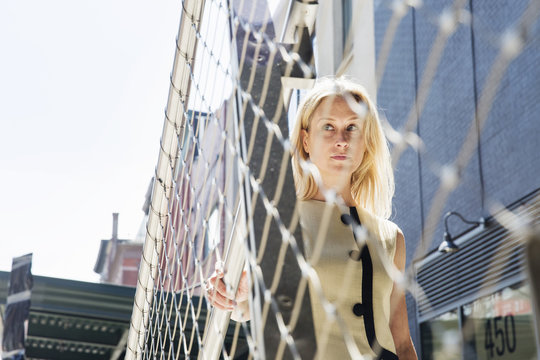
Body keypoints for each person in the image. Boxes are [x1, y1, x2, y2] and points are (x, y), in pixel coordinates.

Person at [206, 77, 418, 359]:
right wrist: (232, 292)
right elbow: (246, 303)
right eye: (328, 127)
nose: (341, 140)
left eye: (352, 128)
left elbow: (402, 341)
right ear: (306, 140)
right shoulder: (274, 222)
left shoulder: (392, 238)